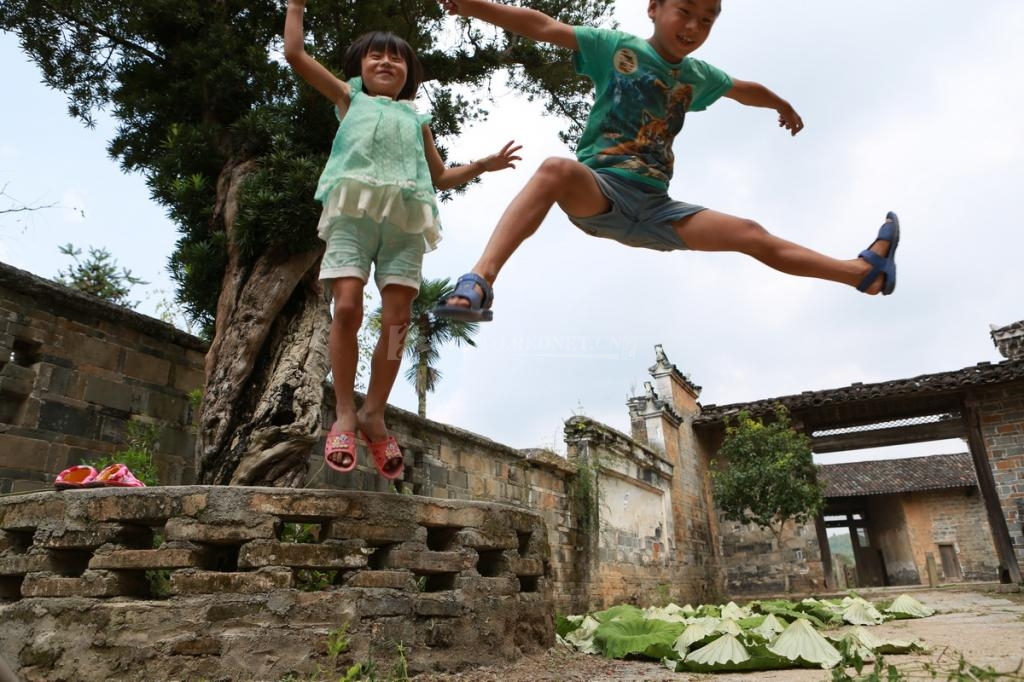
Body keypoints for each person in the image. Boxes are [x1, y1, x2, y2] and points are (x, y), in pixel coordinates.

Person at [433, 0, 899, 323]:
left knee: (751, 234)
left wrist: (781, 104)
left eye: (707, 19)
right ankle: (479, 280)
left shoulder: (698, 76)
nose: (694, 27)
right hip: (601, 194)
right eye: (685, 12)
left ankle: (860, 273)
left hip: (657, 209)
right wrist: (473, 6)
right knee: (557, 169)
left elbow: (743, 89)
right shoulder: (616, 47)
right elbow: (542, 26)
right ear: (654, 8)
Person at [284, 0, 522, 479]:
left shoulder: (417, 117)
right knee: (347, 306)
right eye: (376, 56)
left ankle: (374, 412)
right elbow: (295, 55)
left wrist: (482, 165)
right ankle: (346, 413)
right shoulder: (349, 98)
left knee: (397, 320)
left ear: (409, 72)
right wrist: (295, 6)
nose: (386, 62)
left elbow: (441, 176)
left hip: (406, 222)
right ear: (359, 67)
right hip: (353, 214)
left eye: (396, 58)